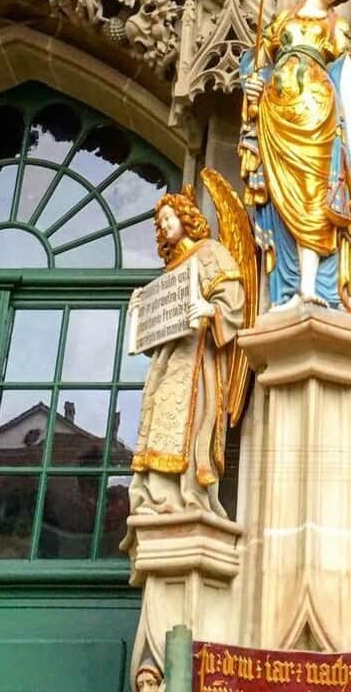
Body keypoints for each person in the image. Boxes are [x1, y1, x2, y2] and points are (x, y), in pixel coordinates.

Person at [239, 0, 351, 311]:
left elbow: (346, 77)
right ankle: (291, 288)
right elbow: (258, 65)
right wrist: (251, 85)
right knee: (281, 197)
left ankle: (309, 288)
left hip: (317, 116)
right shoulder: (282, 19)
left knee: (314, 197)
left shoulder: (336, 27)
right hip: (275, 116)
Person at [128, 187, 245, 517]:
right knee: (158, 419)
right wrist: (139, 313)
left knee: (189, 423)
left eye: (169, 217)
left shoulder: (210, 253)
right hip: (167, 362)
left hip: (198, 356)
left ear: (186, 217)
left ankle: (186, 496)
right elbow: (154, 336)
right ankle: (154, 497)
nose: (165, 225)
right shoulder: (170, 271)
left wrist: (209, 309)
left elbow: (234, 300)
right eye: (160, 221)